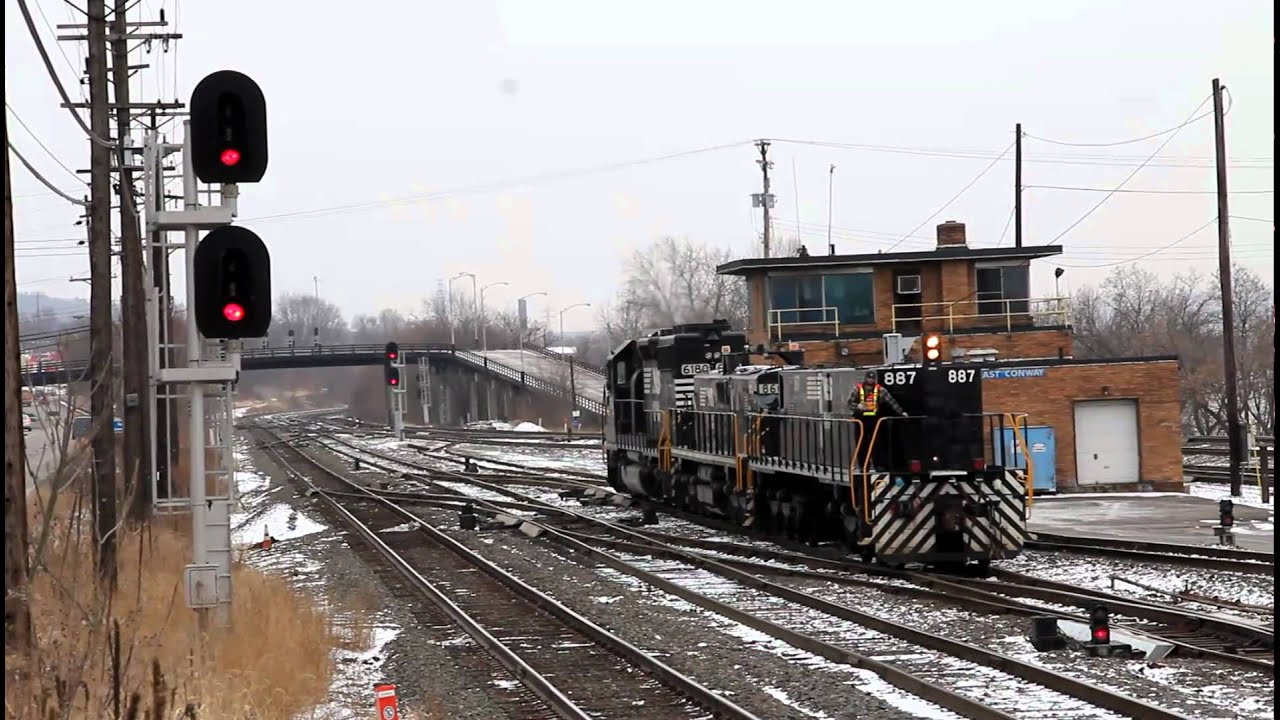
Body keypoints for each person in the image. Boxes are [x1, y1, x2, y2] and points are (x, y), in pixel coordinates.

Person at [848, 370, 904, 472]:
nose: (870, 380)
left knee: (877, 443)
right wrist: (858, 406)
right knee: (861, 443)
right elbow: (849, 403)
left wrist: (901, 412)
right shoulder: (857, 389)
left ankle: (879, 465)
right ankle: (863, 466)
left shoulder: (880, 390)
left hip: (875, 421)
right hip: (861, 421)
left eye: (872, 378)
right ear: (865, 379)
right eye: (869, 378)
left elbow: (891, 402)